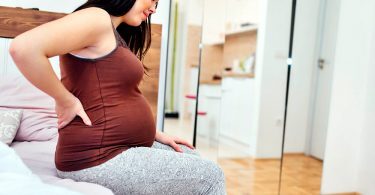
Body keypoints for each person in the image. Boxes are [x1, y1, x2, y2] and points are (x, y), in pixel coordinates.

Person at [9, 0, 226, 194]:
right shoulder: (97, 18)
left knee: (190, 155)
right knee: (211, 176)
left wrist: (153, 133)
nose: (153, 8)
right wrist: (64, 99)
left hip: (114, 147)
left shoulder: (112, 31)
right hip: (95, 157)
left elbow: (113, 94)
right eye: (152, 0)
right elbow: (23, 48)